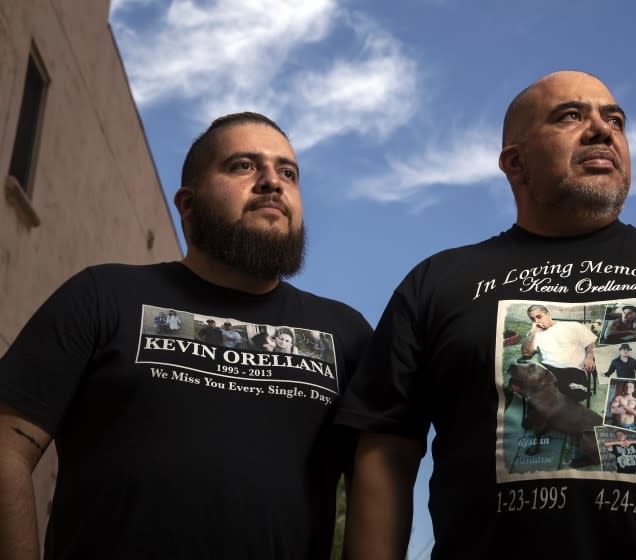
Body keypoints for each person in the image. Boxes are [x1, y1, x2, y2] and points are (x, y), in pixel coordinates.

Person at [335, 71, 636, 559]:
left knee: (582, 414)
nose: (602, 129)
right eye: (570, 116)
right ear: (515, 163)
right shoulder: (438, 282)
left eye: (614, 119)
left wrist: (592, 358)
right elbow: (386, 453)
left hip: (582, 392)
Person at [0, 112, 372, 559]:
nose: (273, 182)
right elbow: (7, 447)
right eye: (243, 166)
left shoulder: (346, 335)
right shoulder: (103, 296)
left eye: (288, 172)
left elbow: (379, 487)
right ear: (187, 205)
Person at [520, 304, 595, 401]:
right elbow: (526, 353)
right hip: (548, 369)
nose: (537, 321)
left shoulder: (572, 326)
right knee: (532, 390)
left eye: (539, 316)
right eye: (533, 319)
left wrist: (589, 357)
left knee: (573, 395)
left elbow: (590, 343)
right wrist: (532, 332)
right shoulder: (535, 333)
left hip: (573, 369)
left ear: (548, 314)